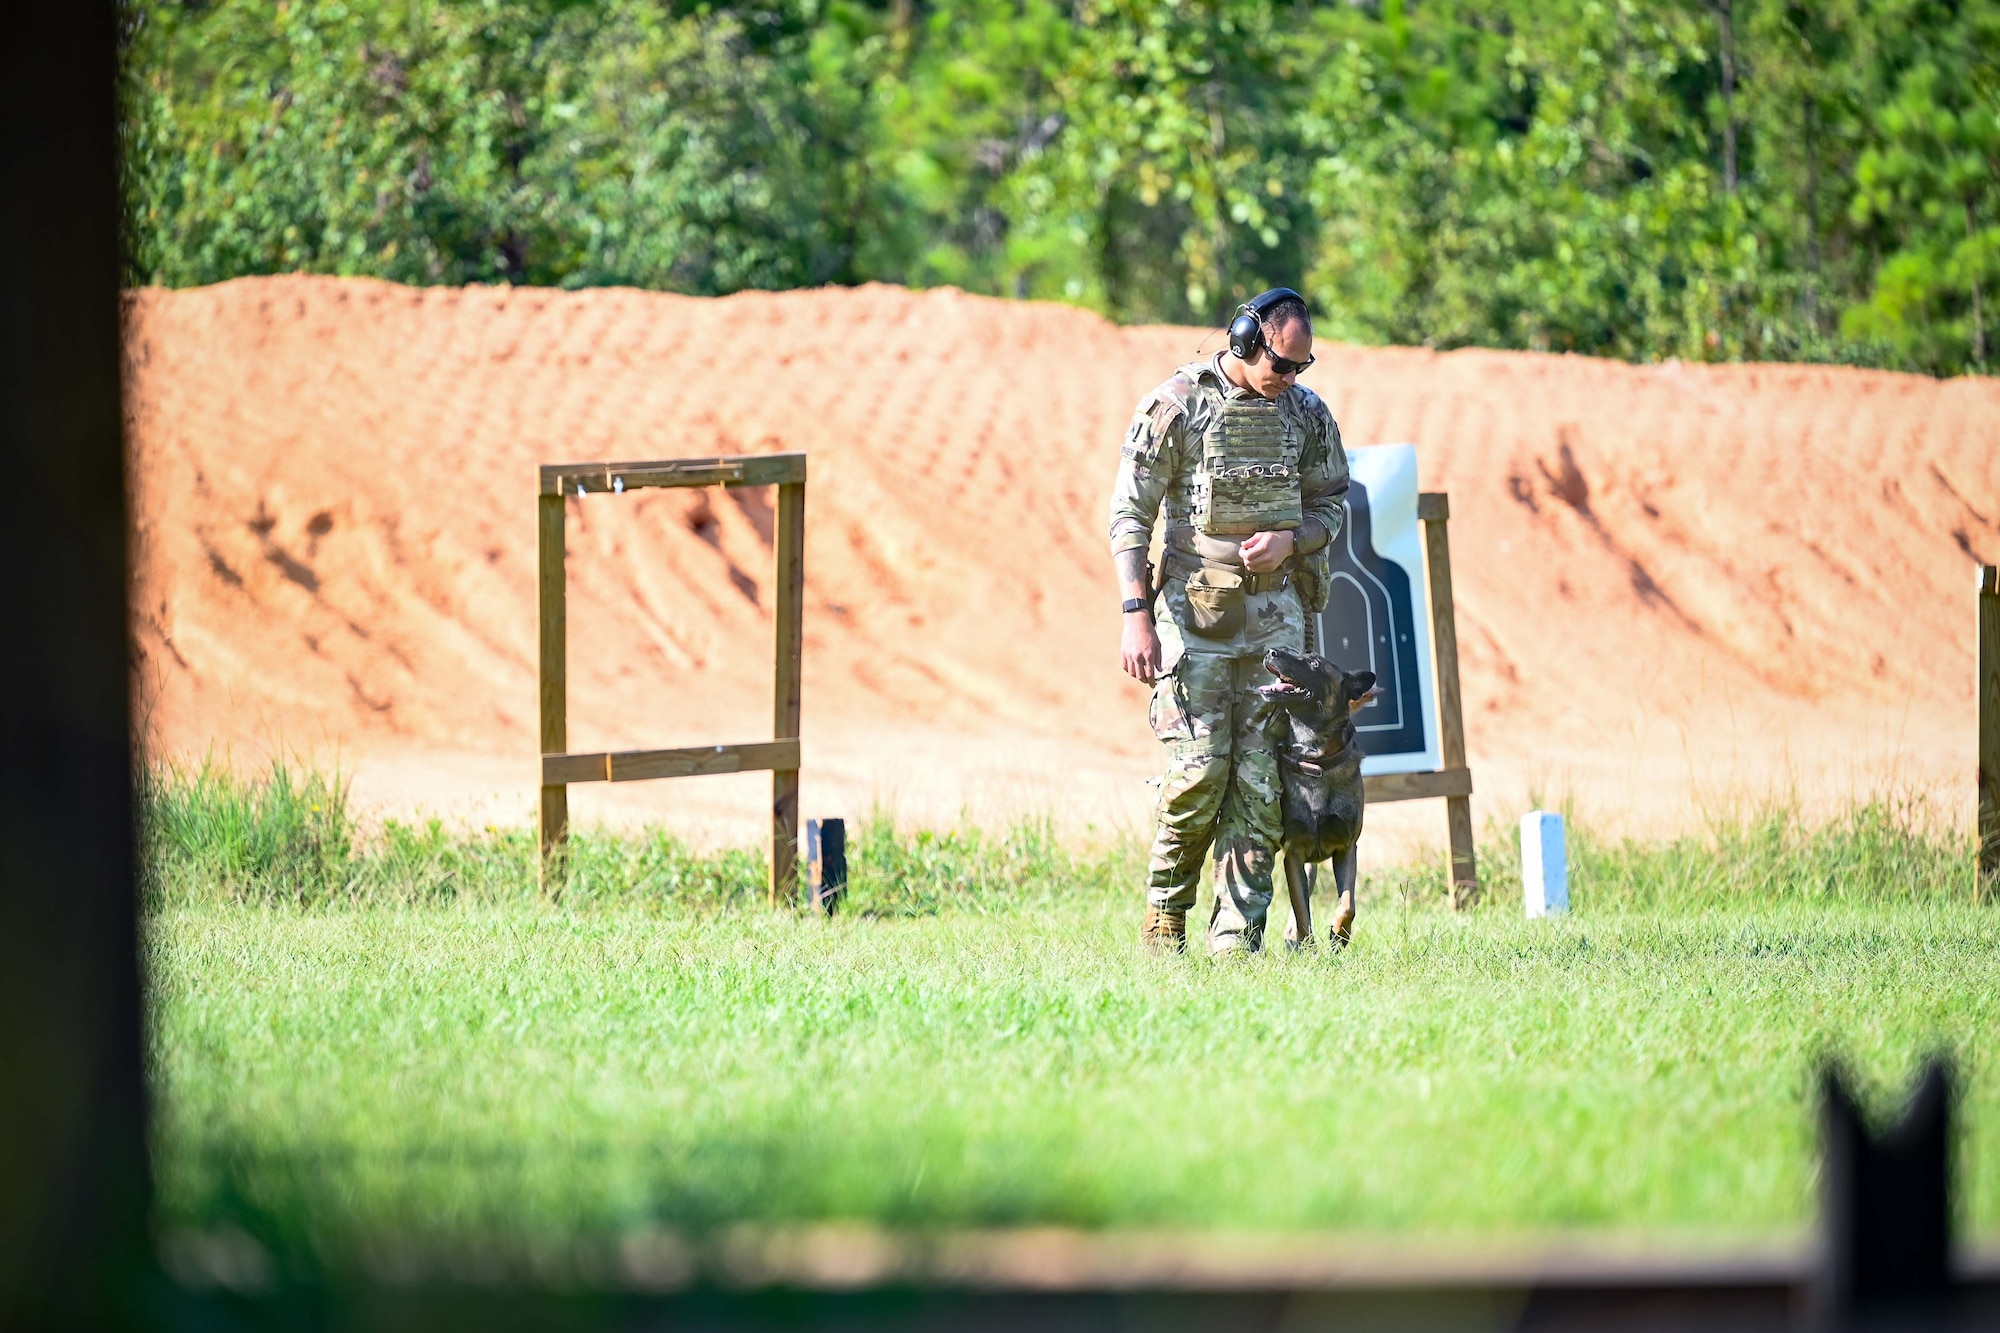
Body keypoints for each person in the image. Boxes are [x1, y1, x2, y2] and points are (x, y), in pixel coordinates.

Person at [1107, 288, 1349, 956]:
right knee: (1199, 771)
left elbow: (1333, 501)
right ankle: (1166, 907)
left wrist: (1293, 540)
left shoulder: (1304, 414)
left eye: (1303, 366)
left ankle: (1238, 936)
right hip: (1196, 617)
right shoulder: (1177, 405)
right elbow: (1130, 513)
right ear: (1245, 342)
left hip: (1277, 623)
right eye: (1282, 364)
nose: (1292, 378)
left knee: (1262, 779)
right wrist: (1136, 615)